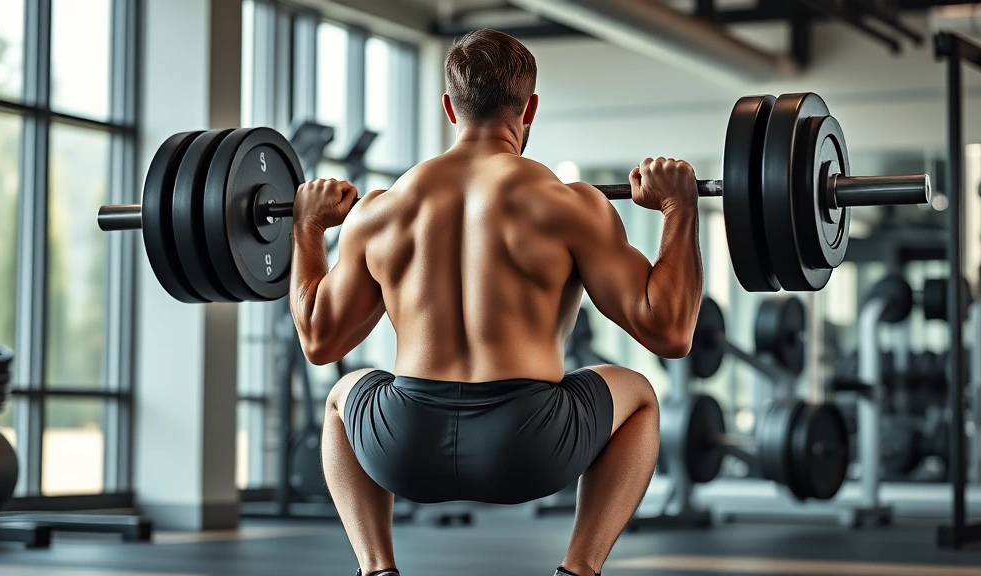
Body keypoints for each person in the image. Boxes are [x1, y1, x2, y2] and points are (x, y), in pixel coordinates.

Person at [289, 28, 702, 576]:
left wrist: (307, 227)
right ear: (529, 107)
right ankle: (578, 569)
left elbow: (319, 341)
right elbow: (670, 332)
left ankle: (376, 569)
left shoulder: (379, 212)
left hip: (404, 446)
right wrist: (680, 209)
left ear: (448, 108)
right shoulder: (567, 204)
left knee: (343, 397)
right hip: (528, 449)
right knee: (642, 397)